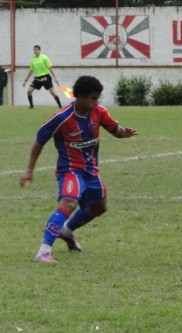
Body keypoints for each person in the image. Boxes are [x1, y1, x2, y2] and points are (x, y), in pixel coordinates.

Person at [19, 75, 138, 264]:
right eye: (92, 98)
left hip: (91, 170)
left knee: (99, 207)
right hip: (70, 169)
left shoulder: (99, 111)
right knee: (69, 202)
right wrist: (29, 171)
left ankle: (67, 231)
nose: (96, 102)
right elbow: (39, 141)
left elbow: (115, 129)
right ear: (79, 96)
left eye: (97, 97)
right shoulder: (62, 118)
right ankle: (44, 251)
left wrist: (123, 134)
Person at [22, 45, 62, 109]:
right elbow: (31, 71)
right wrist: (26, 80)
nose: (35, 51)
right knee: (29, 91)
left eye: (36, 49)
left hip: (46, 77)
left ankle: (60, 106)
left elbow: (50, 68)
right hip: (38, 78)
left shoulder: (44, 58)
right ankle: (31, 106)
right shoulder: (33, 60)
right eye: (34, 49)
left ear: (39, 50)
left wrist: (55, 78)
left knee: (52, 92)